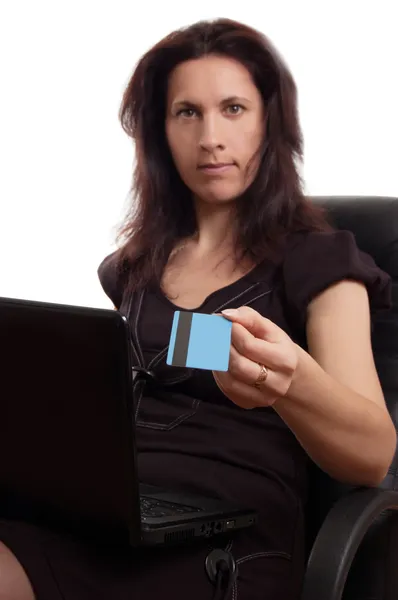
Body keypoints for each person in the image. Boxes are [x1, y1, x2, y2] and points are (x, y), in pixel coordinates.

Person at [0, 17, 396, 600]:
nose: (210, 136)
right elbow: (136, 390)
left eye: (233, 109)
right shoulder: (133, 268)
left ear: (270, 123)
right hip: (120, 515)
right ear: (160, 131)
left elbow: (373, 455)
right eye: (188, 112)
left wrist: (291, 382)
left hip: (229, 549)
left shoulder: (320, 261)